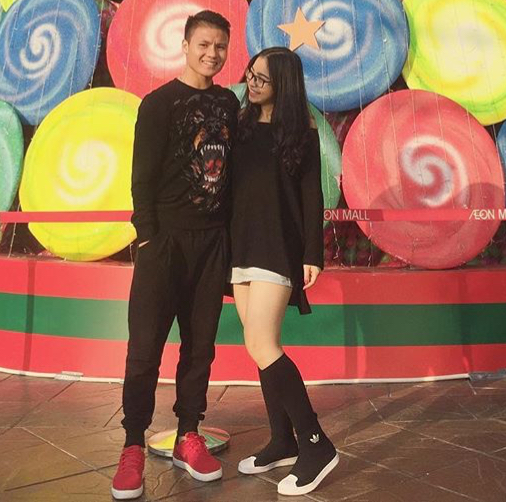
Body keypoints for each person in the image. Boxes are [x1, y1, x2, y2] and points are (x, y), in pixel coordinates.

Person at [112, 10, 239, 500]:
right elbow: (141, 177)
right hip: (163, 244)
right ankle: (132, 445)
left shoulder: (228, 103)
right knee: (144, 350)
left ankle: (189, 433)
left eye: (220, 46)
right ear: (185, 46)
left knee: (200, 348)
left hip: (212, 245)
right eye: (204, 44)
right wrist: (148, 238)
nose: (212, 53)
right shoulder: (158, 103)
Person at [229, 47, 338, 496]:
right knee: (257, 348)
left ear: (285, 85)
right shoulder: (238, 124)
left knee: (262, 343)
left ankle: (316, 444)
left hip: (276, 247)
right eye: (250, 75)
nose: (252, 84)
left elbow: (312, 196)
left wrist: (313, 253)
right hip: (238, 247)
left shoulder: (300, 130)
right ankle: (282, 440)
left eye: (262, 79)